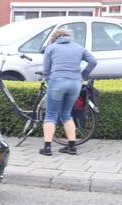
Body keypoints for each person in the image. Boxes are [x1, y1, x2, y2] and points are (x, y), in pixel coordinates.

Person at [40, 27, 97, 156]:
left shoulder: (51, 48)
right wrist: (84, 74)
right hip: (75, 83)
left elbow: (46, 69)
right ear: (69, 37)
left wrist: (49, 80)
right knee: (66, 114)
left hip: (57, 82)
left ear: (54, 38)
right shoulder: (79, 48)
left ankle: (47, 148)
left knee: (50, 115)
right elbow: (93, 61)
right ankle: (72, 147)